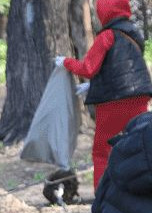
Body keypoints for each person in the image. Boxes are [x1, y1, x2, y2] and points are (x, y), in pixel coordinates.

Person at [57, 0, 152, 188]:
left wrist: (65, 62)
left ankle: (102, 194)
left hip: (114, 102)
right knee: (137, 146)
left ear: (104, 11)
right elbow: (120, 68)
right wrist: (92, 87)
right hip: (140, 97)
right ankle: (139, 190)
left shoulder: (107, 35)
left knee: (102, 151)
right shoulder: (134, 33)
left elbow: (88, 68)